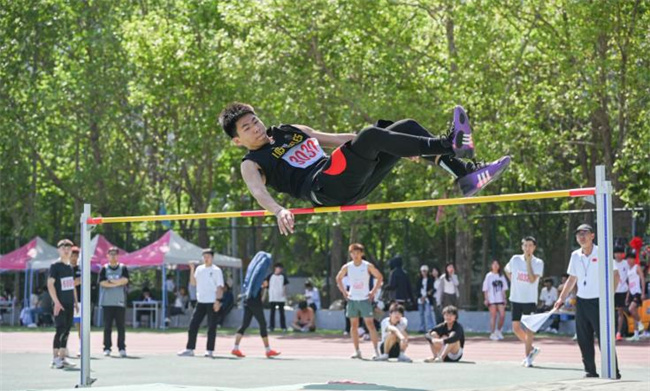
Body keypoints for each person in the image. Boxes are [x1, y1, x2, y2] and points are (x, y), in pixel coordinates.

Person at [219, 102, 511, 236]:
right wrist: (278, 210)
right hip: (325, 186)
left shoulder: (288, 130)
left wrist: (397, 143)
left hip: (349, 177)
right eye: (247, 128)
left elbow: (341, 140)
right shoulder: (252, 163)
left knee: (406, 127)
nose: (255, 127)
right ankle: (450, 144)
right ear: (237, 140)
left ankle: (466, 176)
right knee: (371, 135)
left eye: (255, 120)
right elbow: (258, 192)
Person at [554, 224, 621, 379]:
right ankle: (590, 371)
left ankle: (613, 371)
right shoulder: (575, 255)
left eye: (585, 233)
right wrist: (561, 298)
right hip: (582, 301)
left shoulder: (602, 252)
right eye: (579, 234)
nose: (582, 237)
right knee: (583, 338)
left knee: (604, 338)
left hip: (599, 302)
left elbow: (616, 275)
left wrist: (608, 297)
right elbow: (572, 279)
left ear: (592, 236)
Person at [336, 243, 383, 360]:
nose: (355, 255)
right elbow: (338, 278)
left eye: (358, 253)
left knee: (370, 324)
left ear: (362, 254)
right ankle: (357, 351)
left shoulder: (367, 266)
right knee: (354, 326)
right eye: (353, 253)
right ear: (350, 254)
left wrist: (373, 291)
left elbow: (379, 277)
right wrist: (344, 292)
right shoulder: (347, 267)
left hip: (364, 299)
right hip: (352, 299)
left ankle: (376, 351)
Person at [231, 251, 281, 358]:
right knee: (262, 323)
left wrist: (262, 286)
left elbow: (254, 284)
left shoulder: (252, 272)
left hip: (248, 299)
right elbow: (258, 285)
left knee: (245, 324)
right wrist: (263, 287)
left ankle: (235, 348)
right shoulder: (259, 272)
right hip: (254, 300)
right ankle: (268, 350)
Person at [505, 236, 544, 368]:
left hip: (529, 300)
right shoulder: (515, 259)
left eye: (530, 245)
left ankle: (528, 357)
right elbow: (507, 270)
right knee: (516, 328)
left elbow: (532, 279)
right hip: (516, 298)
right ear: (522, 247)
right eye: (525, 245)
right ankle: (532, 349)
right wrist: (513, 281)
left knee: (529, 330)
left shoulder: (538, 262)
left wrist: (528, 263)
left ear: (534, 247)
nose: (528, 248)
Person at [178, 249, 224, 358]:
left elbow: (219, 287)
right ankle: (189, 349)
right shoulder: (199, 269)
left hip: (212, 301)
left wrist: (218, 301)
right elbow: (193, 283)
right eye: (204, 256)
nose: (206, 259)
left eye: (208, 256)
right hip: (201, 302)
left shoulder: (216, 270)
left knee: (211, 327)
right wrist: (192, 269)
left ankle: (209, 350)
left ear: (212, 258)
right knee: (193, 325)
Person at [47, 239, 79, 369]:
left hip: (69, 303)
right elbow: (50, 284)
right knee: (60, 329)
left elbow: (71, 285)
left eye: (68, 248)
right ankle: (55, 358)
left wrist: (76, 302)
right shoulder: (55, 266)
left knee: (67, 330)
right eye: (63, 248)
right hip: (59, 304)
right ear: (58, 250)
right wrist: (56, 302)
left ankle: (62, 357)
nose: (66, 250)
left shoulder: (70, 267)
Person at [98, 246, 130, 358]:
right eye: (111, 254)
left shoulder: (123, 268)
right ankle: (107, 348)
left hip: (120, 302)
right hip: (107, 302)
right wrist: (117, 283)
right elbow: (102, 283)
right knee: (107, 327)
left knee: (121, 327)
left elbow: (125, 280)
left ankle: (122, 348)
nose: (113, 256)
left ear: (118, 256)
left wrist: (111, 282)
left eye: (115, 254)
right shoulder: (104, 268)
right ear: (107, 256)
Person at [482, 259, 509, 340]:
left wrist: (504, 298)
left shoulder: (501, 276)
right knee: (493, 316)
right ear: (491, 266)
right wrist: (486, 299)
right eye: (494, 264)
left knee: (502, 315)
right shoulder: (488, 276)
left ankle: (498, 331)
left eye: (497, 264)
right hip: (492, 299)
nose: (495, 266)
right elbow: (485, 289)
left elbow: (504, 289)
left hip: (500, 299)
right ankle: (492, 333)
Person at [625, 250, 646, 341]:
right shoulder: (628, 270)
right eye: (628, 259)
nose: (629, 260)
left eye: (631, 259)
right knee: (634, 313)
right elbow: (630, 283)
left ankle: (641, 324)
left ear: (634, 259)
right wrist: (627, 296)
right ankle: (636, 334)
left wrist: (643, 293)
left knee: (631, 309)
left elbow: (642, 279)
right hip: (631, 293)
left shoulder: (637, 267)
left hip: (638, 292)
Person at [613, 245, 630, 341]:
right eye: (616, 253)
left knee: (620, 311)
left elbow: (629, 277)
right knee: (609, 312)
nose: (618, 255)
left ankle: (618, 333)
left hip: (622, 291)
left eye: (620, 253)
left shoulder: (626, 263)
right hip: (612, 291)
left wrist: (628, 292)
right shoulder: (611, 262)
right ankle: (609, 331)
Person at [266, 263, 289, 332]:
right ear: (275, 268)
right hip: (272, 297)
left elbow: (284, 286)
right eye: (279, 268)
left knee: (282, 313)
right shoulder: (270, 276)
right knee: (272, 313)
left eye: (281, 268)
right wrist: (264, 295)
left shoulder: (283, 276)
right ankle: (271, 327)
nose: (280, 270)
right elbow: (266, 286)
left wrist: (285, 295)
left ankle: (283, 327)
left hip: (281, 297)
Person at [416, 265, 435, 333]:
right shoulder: (419, 280)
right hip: (420, 299)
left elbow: (432, 289)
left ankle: (431, 328)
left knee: (428, 314)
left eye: (425, 271)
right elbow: (417, 290)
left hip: (427, 299)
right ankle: (422, 328)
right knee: (421, 314)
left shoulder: (430, 279)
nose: (423, 272)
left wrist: (426, 296)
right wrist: (420, 297)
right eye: (422, 271)